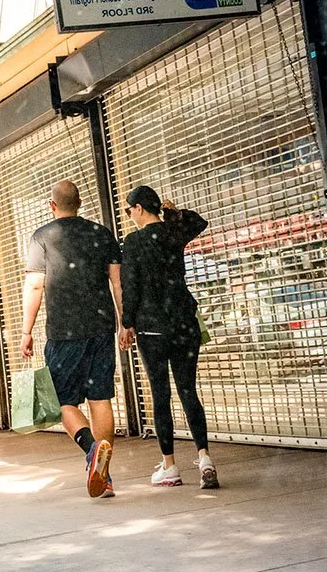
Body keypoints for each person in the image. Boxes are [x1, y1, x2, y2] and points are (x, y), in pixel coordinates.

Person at [20, 180, 123, 499]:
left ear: (53, 206)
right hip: (102, 327)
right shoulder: (102, 234)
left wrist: (26, 331)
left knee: (64, 402)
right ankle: (103, 476)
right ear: (79, 203)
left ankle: (92, 451)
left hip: (65, 332)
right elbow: (117, 283)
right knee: (100, 398)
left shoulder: (42, 237)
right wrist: (125, 322)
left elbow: (35, 286)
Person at [118, 185, 218, 489]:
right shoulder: (174, 233)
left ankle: (170, 466)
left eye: (128, 210)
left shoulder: (133, 242)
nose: (128, 216)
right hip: (185, 323)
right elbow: (199, 223)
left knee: (161, 394)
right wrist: (174, 214)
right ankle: (204, 458)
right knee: (188, 390)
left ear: (137, 209)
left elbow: (130, 287)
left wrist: (126, 324)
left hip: (153, 327)